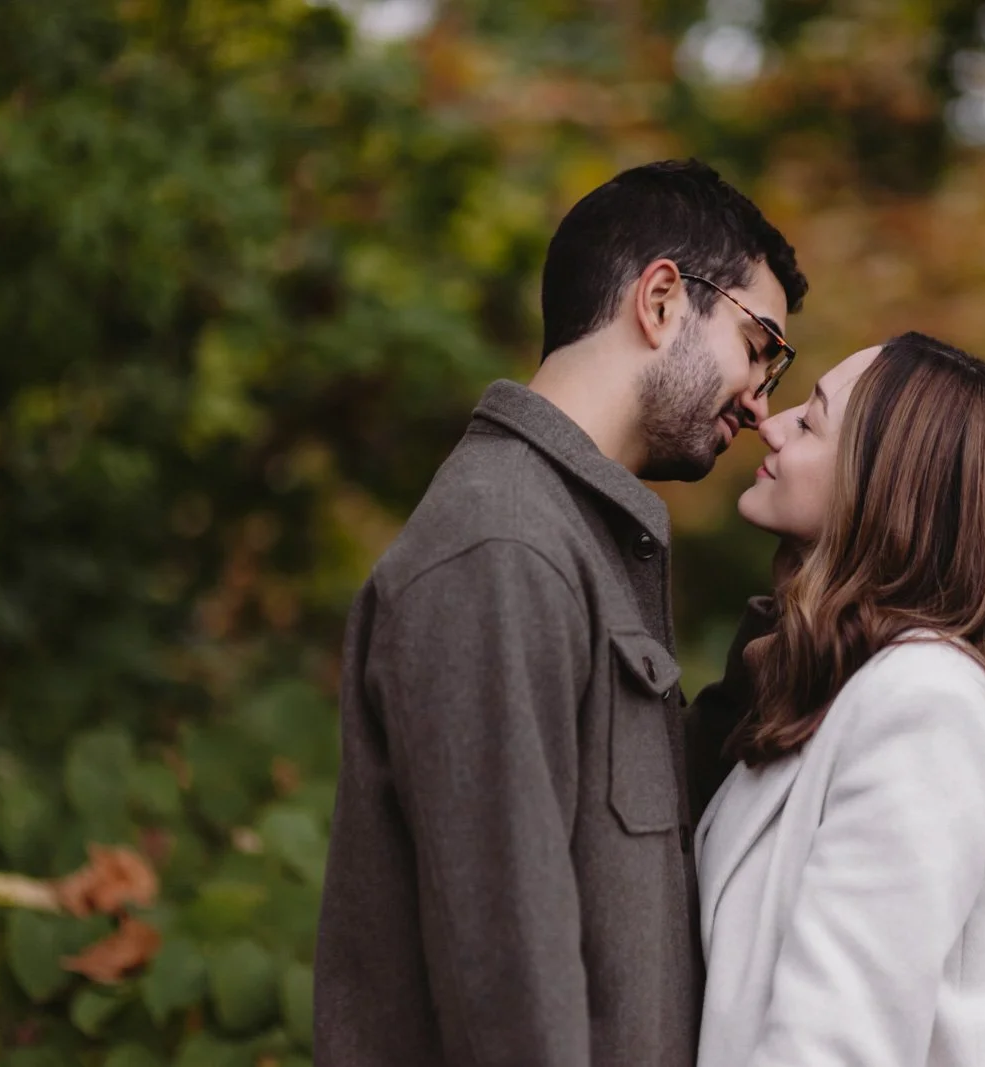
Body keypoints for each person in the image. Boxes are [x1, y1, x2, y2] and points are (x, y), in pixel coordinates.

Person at [313, 159, 808, 1067]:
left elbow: (632, 851)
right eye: (761, 344)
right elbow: (505, 972)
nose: (762, 398)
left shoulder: (575, 538)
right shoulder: (503, 547)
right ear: (662, 299)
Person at [691, 332, 985, 1067]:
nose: (771, 423)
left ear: (881, 486)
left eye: (811, 421)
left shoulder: (930, 704)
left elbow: (839, 1043)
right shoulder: (843, 688)